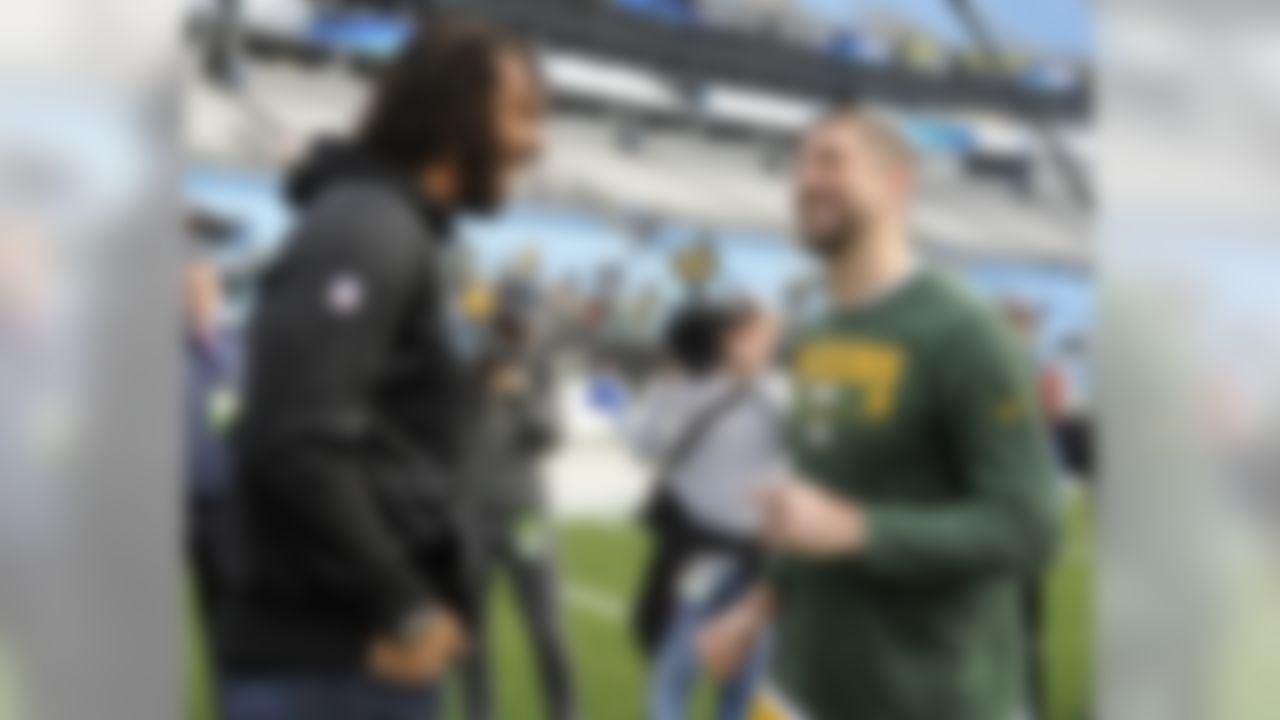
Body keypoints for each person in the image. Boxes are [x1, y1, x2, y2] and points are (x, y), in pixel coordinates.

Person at [218, 16, 546, 720]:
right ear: (454, 114)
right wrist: (405, 603)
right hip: (335, 664)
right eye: (521, 113)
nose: (537, 141)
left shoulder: (392, 226)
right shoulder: (371, 227)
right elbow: (294, 437)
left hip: (349, 658)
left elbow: (373, 431)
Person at [698, 109, 1060, 720]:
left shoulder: (967, 334)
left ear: (898, 182)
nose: (807, 179)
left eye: (831, 160)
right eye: (801, 162)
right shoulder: (816, 334)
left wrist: (860, 530)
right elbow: (814, 500)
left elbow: (1029, 529)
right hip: (797, 689)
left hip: (935, 698)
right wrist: (755, 609)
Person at [626, 301, 786, 720]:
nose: (769, 342)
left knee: (740, 683)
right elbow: (647, 446)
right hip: (707, 557)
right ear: (728, 338)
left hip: (756, 561)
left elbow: (808, 441)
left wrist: (755, 380)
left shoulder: (777, 392)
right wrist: (664, 391)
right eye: (758, 333)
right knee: (677, 674)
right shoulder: (693, 389)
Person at [458, 306, 578, 720]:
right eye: (514, 325)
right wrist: (474, 377)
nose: (523, 334)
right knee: (470, 633)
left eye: (528, 325)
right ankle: (480, 713)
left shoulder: (542, 370)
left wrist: (520, 393)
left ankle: (564, 713)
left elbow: (552, 435)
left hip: (526, 515)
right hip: (469, 515)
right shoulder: (467, 367)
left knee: (547, 628)